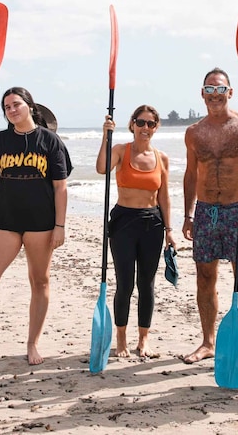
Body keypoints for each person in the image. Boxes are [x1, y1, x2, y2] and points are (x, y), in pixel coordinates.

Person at [181, 67, 238, 370]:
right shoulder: (194, 132)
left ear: (230, 92)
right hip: (206, 212)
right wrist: (188, 214)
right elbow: (191, 174)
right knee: (205, 278)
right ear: (202, 93)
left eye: (220, 89)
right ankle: (208, 343)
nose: (214, 95)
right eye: (209, 89)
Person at [0, 87, 72, 365]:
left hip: (41, 222)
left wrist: (60, 226)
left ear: (29, 106)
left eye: (16, 104)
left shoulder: (50, 141)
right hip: (6, 220)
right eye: (7, 107)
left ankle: (32, 344)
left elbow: (60, 187)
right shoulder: (0, 141)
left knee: (39, 281)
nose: (12, 110)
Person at [95, 105, 176, 359]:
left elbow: (164, 196)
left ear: (156, 127)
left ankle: (143, 340)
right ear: (132, 124)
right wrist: (105, 135)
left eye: (151, 124)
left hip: (152, 222)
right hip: (124, 221)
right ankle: (120, 339)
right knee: (125, 283)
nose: (145, 128)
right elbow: (101, 168)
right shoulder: (121, 150)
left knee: (147, 284)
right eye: (141, 123)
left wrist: (169, 230)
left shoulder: (161, 158)